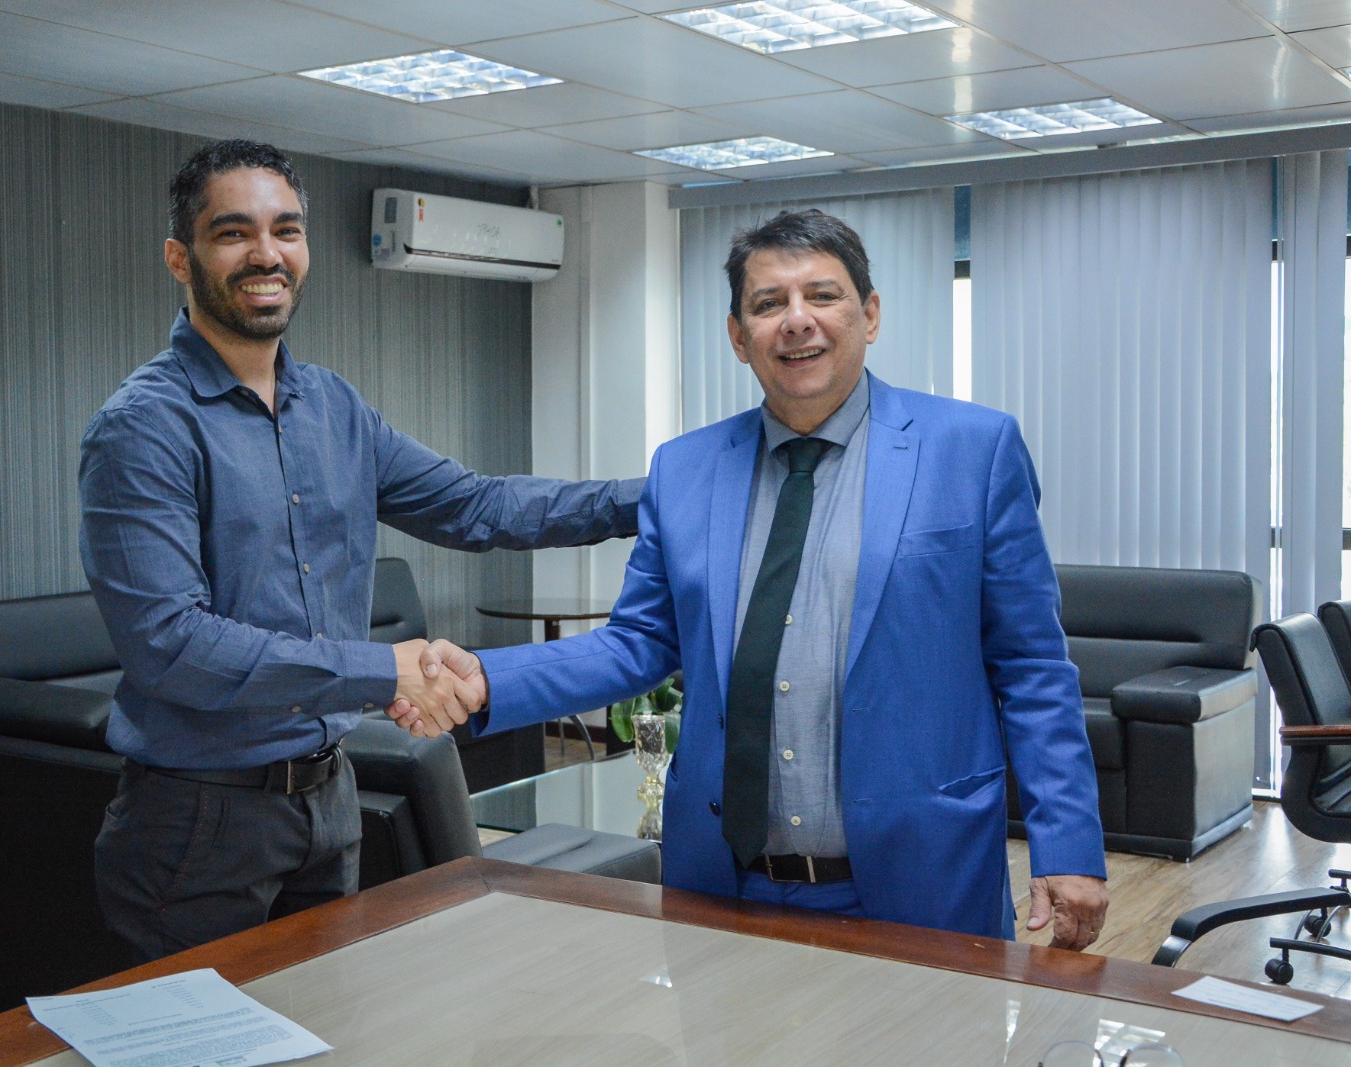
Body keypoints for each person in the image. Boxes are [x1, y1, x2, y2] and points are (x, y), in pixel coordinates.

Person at [410, 208, 1109, 949]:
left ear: (869, 315)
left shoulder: (974, 450)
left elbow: (1031, 665)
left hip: (923, 878)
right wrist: (487, 678)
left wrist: (1066, 843)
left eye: (823, 296)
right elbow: (638, 643)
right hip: (723, 885)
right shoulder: (686, 468)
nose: (796, 321)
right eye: (769, 303)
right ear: (739, 337)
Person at [78, 139, 643, 962]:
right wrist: (386, 672)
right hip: (195, 824)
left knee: (322, 1031)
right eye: (234, 233)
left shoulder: (333, 408)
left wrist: (658, 496)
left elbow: (476, 505)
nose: (266, 253)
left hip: (329, 799)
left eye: (287, 230)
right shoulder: (144, 427)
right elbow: (172, 646)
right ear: (180, 257)